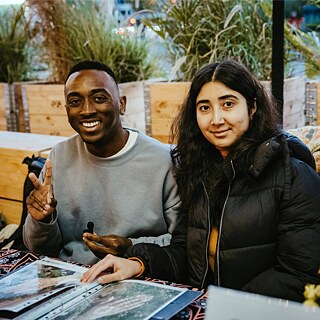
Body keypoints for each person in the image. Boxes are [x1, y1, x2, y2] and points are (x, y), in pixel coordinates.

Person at [81, 59, 320, 303]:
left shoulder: (293, 175)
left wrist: (222, 307)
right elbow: (186, 255)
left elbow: (299, 273)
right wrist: (137, 263)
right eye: (205, 108)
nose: (216, 119)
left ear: (252, 107)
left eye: (228, 104)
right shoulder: (201, 171)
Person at [23, 60, 180, 265]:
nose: (86, 110)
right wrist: (42, 221)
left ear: (121, 104)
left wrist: (130, 246)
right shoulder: (59, 156)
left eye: (99, 98)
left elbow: (181, 244)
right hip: (73, 278)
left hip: (137, 277)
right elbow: (39, 248)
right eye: (75, 101)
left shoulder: (164, 160)